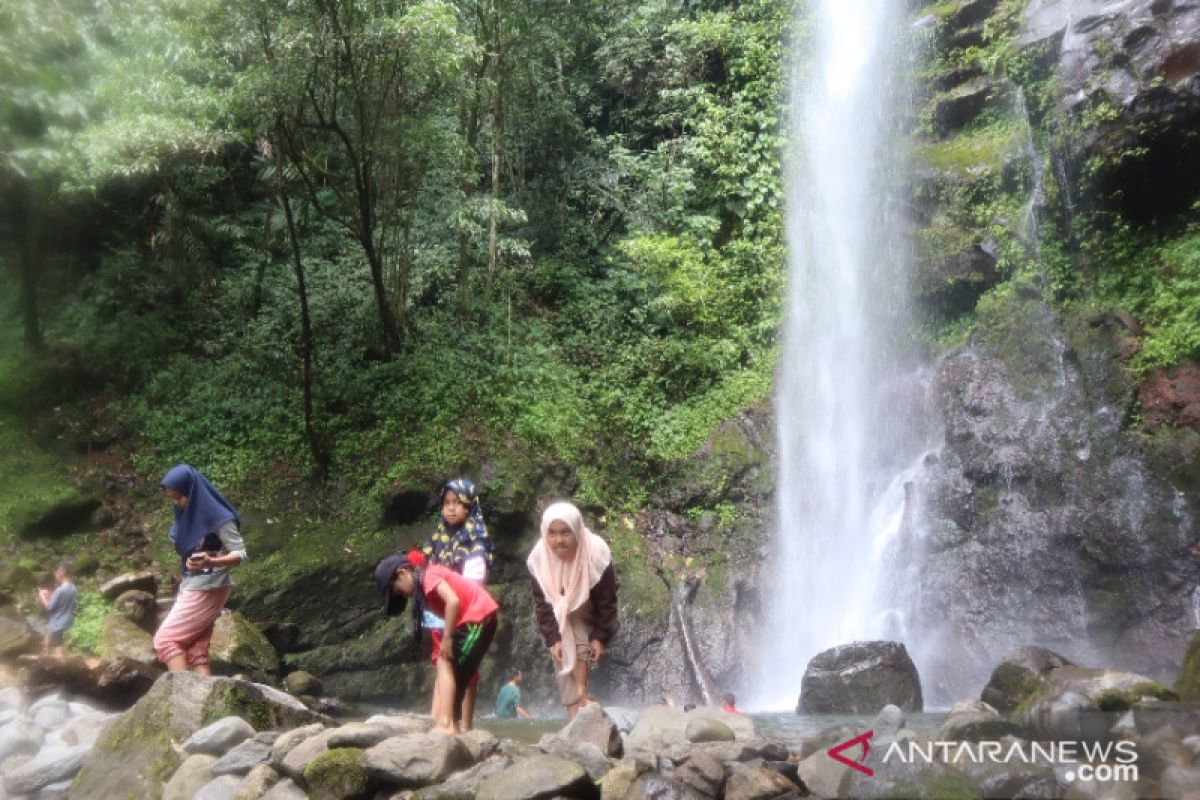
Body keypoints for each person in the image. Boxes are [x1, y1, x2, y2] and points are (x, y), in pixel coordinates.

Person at [375, 549, 499, 734]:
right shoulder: (427, 579)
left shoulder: (428, 576)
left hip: (478, 618)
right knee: (457, 672)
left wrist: (448, 639)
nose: (403, 596)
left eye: (398, 591)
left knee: (444, 661)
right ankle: (454, 725)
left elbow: (453, 602)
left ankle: (447, 723)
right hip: (478, 619)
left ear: (402, 573)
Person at [527, 501, 618, 719]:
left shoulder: (596, 552)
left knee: (573, 619)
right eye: (553, 533)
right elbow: (542, 605)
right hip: (557, 612)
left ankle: (581, 691)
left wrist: (599, 637)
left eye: (566, 532)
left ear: (577, 530)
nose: (559, 540)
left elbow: (607, 601)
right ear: (545, 533)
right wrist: (553, 639)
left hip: (590, 609)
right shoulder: (539, 558)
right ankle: (575, 713)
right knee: (558, 649)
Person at [153, 464, 246, 674]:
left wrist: (210, 562)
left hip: (209, 586)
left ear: (192, 492)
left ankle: (183, 699)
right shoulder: (186, 515)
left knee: (165, 640)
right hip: (193, 583)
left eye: (178, 497)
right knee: (197, 652)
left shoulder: (219, 517)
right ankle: (206, 703)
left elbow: (240, 554)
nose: (176, 503)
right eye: (172, 498)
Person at [419, 478, 496, 730]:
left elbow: (474, 580)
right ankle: (439, 717)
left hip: (464, 610)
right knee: (440, 660)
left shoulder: (475, 540)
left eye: (458, 503)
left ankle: (465, 725)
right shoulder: (437, 539)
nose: (451, 508)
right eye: (447, 503)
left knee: (465, 667)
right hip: (439, 612)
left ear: (470, 506)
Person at [36, 562, 78, 657]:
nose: (55, 575)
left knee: (58, 650)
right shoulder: (73, 588)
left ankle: (59, 664)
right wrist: (50, 594)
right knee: (47, 629)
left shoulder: (60, 590)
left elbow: (49, 607)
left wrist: (42, 596)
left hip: (58, 623)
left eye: (55, 573)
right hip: (68, 620)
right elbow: (69, 603)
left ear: (61, 573)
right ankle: (45, 654)